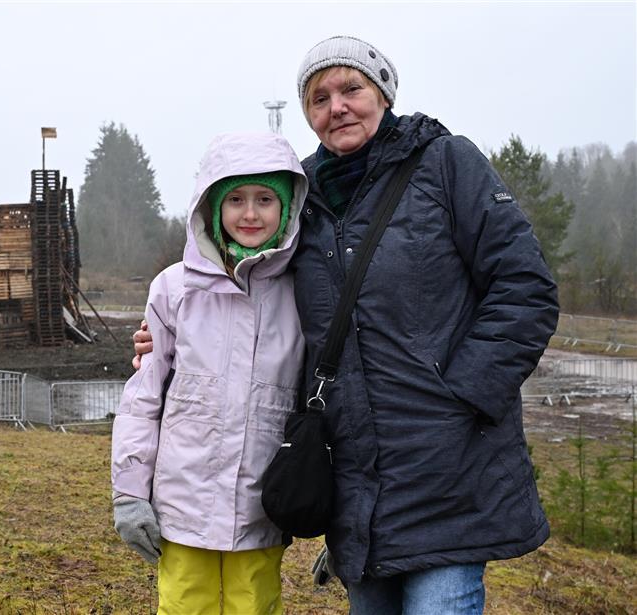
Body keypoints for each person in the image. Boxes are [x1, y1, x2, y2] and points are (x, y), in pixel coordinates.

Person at [132, 35, 560, 614]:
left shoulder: (445, 163)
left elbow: (524, 286)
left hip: (449, 464)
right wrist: (178, 338)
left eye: (351, 88)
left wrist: (464, 394)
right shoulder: (300, 193)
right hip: (357, 475)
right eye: (318, 97)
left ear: (382, 93)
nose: (337, 106)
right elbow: (258, 288)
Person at [111, 131, 308, 614]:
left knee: (254, 606)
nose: (249, 214)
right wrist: (129, 492)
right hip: (183, 506)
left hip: (262, 504)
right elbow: (144, 397)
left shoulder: (305, 292)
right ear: (210, 206)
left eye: (265, 199)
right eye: (235, 199)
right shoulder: (174, 290)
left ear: (287, 208)